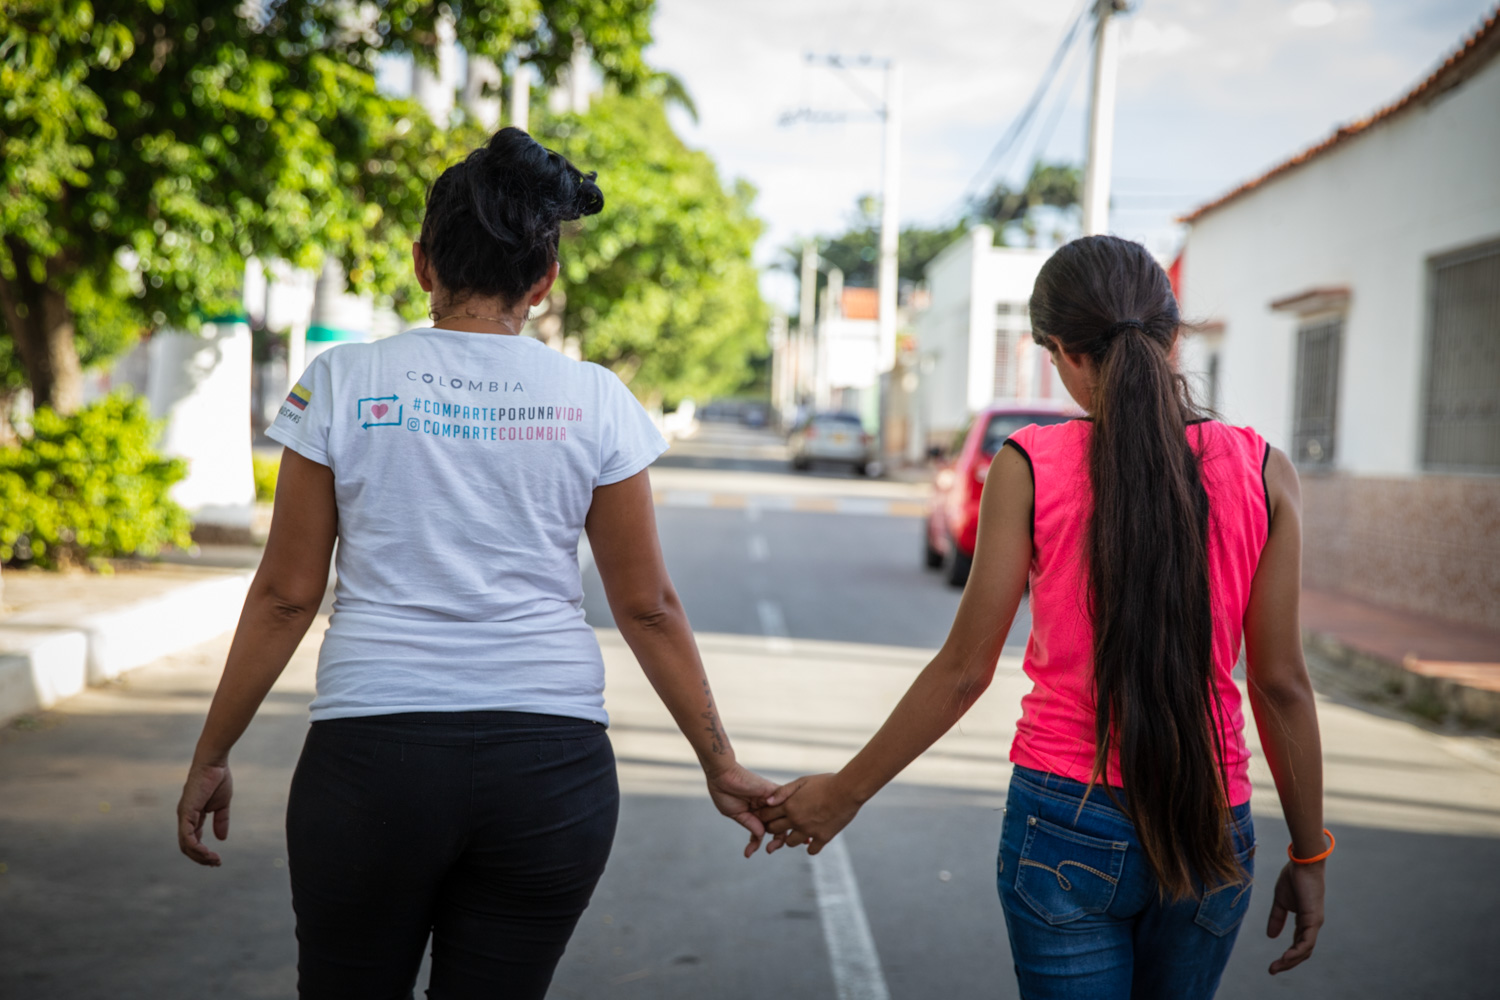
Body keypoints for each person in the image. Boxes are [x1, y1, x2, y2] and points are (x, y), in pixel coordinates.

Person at [175, 127, 777, 999]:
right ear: (543, 280)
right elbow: (647, 607)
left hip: (372, 761)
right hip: (551, 770)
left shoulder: (341, 381)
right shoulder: (595, 399)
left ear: (423, 263)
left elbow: (283, 596)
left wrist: (211, 753)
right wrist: (718, 760)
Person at [755, 235, 1328, 998]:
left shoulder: (1028, 465)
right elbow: (1281, 685)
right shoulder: (1264, 469)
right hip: (1210, 822)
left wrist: (846, 791)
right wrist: (1309, 854)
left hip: (1065, 818)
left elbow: (964, 671)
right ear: (1173, 336)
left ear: (1060, 349)